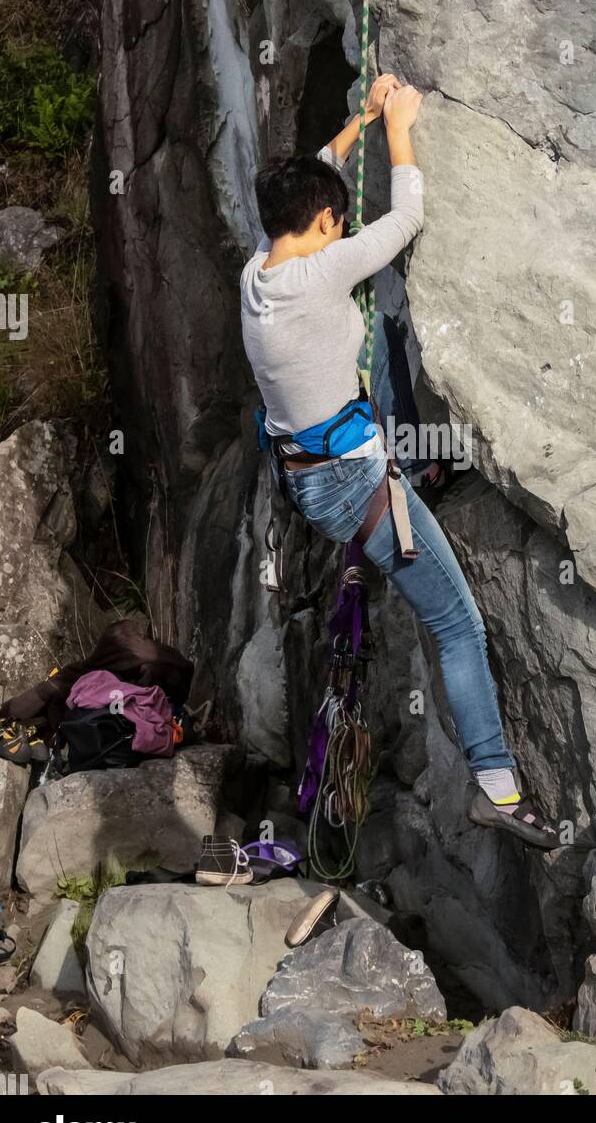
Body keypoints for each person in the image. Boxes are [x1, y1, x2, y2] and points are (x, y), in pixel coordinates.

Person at [240, 76, 560, 849]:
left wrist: (360, 121)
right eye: (335, 221)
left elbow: (310, 172)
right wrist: (403, 127)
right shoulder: (322, 273)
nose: (339, 228)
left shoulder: (259, 271)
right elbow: (408, 217)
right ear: (323, 223)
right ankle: (497, 787)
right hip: (354, 485)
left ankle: (412, 493)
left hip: (311, 478)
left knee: (388, 400)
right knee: (457, 624)